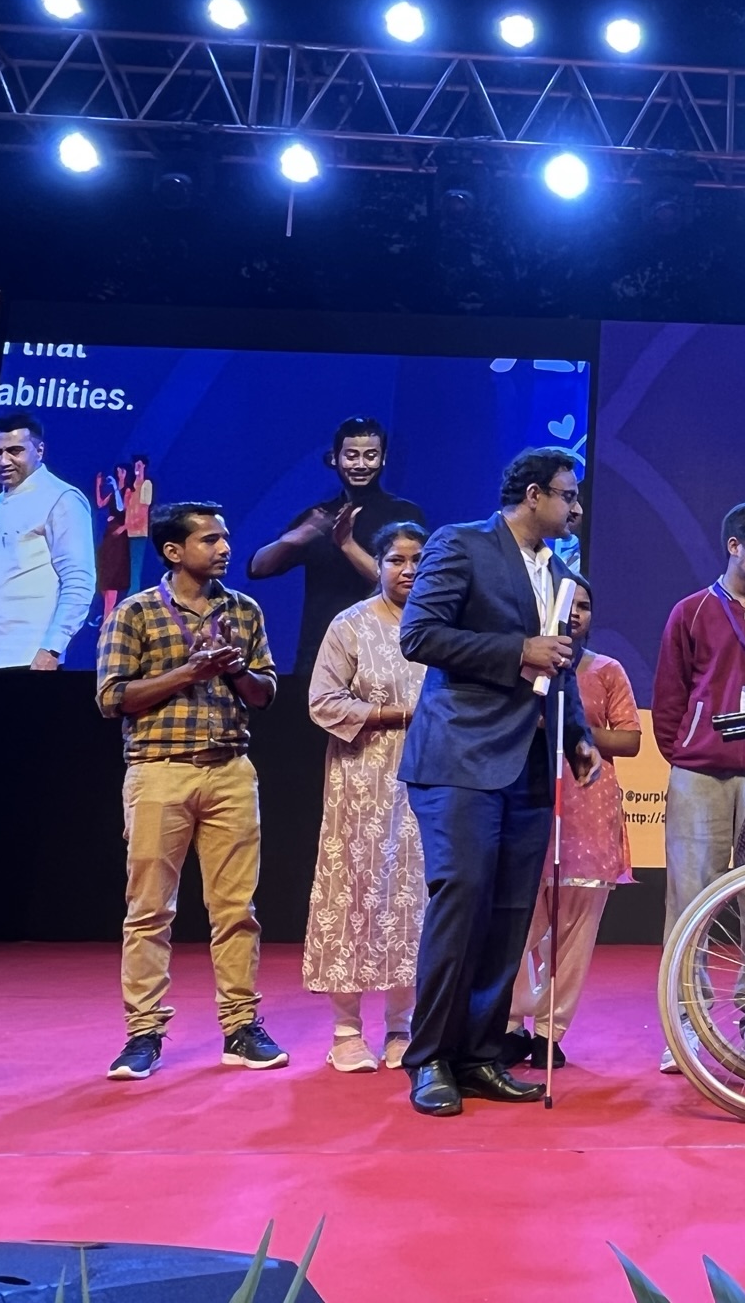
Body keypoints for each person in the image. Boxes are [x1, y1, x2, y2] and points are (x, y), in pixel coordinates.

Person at [395, 448, 599, 1116]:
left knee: (511, 915)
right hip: (459, 757)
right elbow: (419, 635)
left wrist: (577, 740)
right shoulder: (462, 544)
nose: (575, 508)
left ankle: (480, 1054)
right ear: (533, 494)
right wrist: (516, 651)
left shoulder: (562, 574)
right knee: (462, 902)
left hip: (529, 766)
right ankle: (428, 1059)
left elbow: (558, 668)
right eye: (567, 496)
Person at [96, 501, 284, 1081]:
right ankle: (143, 1033)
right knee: (149, 909)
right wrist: (188, 673)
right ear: (174, 551)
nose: (225, 548)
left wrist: (233, 671)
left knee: (236, 910)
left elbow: (265, 693)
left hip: (230, 769)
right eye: (210, 540)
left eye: (225, 538)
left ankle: (240, 1026)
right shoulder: (136, 613)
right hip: (159, 771)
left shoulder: (243, 610)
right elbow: (111, 698)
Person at [650, 500, 745, 1073]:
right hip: (699, 773)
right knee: (689, 901)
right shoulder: (690, 612)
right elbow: (669, 701)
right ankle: (684, 1025)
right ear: (733, 545)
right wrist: (692, 751)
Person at [302, 521, 432, 1073]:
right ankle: (346, 1030)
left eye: (417, 559)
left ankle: (401, 1028)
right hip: (362, 781)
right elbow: (321, 701)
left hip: (429, 779)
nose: (407, 570)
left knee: (414, 900)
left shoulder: (441, 627)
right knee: (355, 896)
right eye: (396, 560)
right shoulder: (350, 625)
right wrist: (392, 715)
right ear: (377, 565)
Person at [505, 577, 638, 1069]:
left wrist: (569, 727)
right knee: (516, 926)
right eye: (569, 605)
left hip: (587, 809)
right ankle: (511, 1023)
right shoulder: (522, 671)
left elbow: (629, 742)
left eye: (585, 605)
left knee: (574, 933)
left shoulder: (606, 670)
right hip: (526, 804)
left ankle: (549, 1031)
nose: (577, 613)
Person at [248, 416, 427, 673]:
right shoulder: (319, 516)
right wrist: (293, 539)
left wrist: (348, 545)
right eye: (352, 455)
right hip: (320, 652)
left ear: (383, 458)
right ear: (335, 458)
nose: (361, 464)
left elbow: (407, 584)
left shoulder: (403, 514)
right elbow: (257, 569)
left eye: (371, 456)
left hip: (383, 649)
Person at [0, 412, 95, 669]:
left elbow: (79, 581)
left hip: (27, 657)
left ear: (39, 450)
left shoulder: (61, 498)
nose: (4, 461)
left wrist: (52, 649)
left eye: (15, 451)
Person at [94, 465, 133, 623]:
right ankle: (106, 613)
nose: (119, 474)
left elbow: (121, 508)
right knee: (104, 574)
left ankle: (108, 617)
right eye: (118, 472)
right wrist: (98, 485)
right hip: (109, 535)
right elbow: (100, 503)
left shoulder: (128, 492)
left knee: (112, 577)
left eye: (122, 472)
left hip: (119, 536)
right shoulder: (114, 492)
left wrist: (117, 488)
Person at [124, 454, 155, 595]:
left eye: (139, 465)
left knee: (135, 565)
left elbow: (144, 507)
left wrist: (132, 523)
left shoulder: (146, 485)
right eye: (135, 465)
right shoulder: (132, 487)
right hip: (127, 531)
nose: (137, 468)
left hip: (138, 532)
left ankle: (133, 593)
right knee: (127, 566)